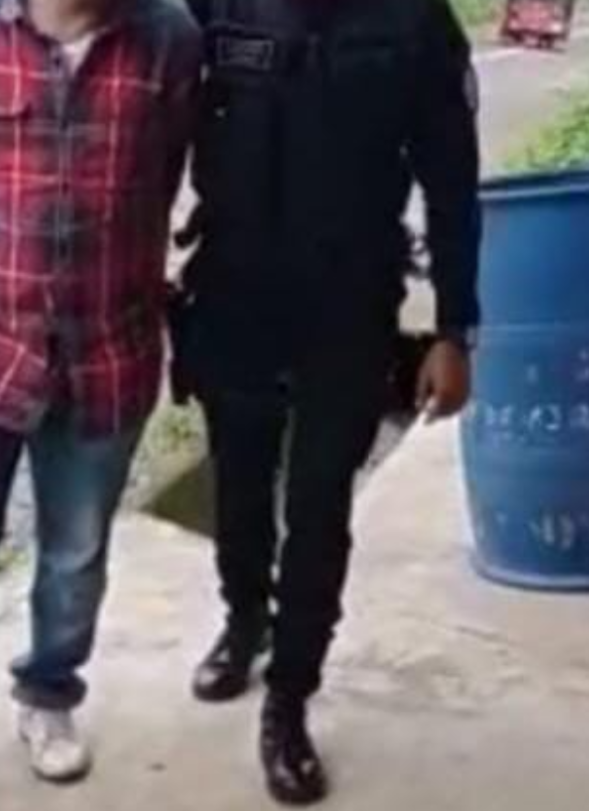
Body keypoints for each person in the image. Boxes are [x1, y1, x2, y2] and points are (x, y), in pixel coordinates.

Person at [0, 0, 200, 806]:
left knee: (75, 552)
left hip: (104, 346)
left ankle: (48, 694)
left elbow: (162, 177)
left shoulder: (168, 39)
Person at [175, 0, 481, 803]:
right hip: (233, 289)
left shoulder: (414, 23)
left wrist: (454, 331)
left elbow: (452, 184)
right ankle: (244, 619)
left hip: (348, 302)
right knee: (238, 481)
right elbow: (147, 128)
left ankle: (288, 699)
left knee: (318, 504)